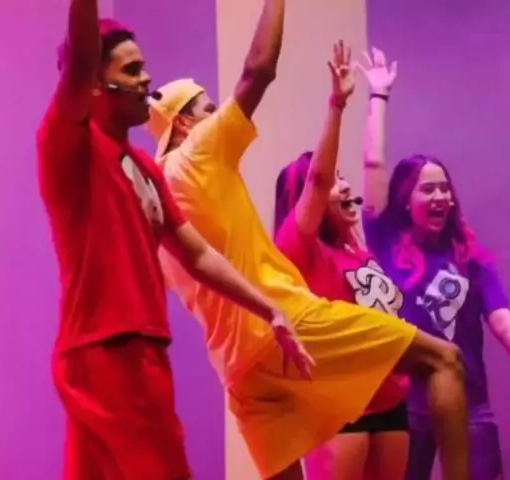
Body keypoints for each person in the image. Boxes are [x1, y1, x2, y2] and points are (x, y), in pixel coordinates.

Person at [147, 9, 471, 479]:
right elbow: (259, 70)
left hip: (239, 372)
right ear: (182, 124)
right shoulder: (197, 154)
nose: (218, 116)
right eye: (208, 110)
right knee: (446, 360)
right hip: (283, 325)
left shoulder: (154, 201)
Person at [38, 2, 313, 479]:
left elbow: (198, 254)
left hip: (140, 350)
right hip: (106, 352)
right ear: (96, 84)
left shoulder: (145, 167)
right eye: (132, 70)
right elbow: (81, 59)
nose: (147, 79)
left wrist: (269, 309)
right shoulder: (69, 146)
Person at [359, 48, 510, 480]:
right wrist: (378, 96)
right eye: (427, 190)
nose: (440, 197)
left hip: (471, 405)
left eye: (445, 189)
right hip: (407, 404)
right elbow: (373, 163)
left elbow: (501, 318)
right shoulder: (385, 241)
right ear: (405, 199)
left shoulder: (469, 257)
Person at [273, 44, 410, 480]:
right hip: (340, 405)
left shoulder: (358, 246)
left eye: (343, 177)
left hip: (390, 399)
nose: (345, 186)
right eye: (336, 182)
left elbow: (374, 164)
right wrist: (337, 103)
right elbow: (317, 179)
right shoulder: (299, 247)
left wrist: (379, 97)